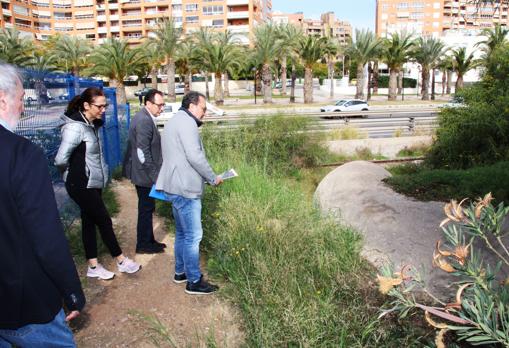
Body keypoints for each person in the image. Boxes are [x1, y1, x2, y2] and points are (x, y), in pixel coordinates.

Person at [0, 62, 85, 347]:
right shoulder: (21, 154)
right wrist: (71, 290)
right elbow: (46, 237)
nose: (22, 109)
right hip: (26, 306)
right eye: (22, 100)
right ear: (3, 100)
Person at [55, 87, 141, 280]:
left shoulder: (90, 124)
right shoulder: (75, 127)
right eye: (99, 106)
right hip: (81, 184)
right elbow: (60, 159)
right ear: (86, 105)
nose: (103, 109)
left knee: (89, 221)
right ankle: (121, 260)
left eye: (105, 105)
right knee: (103, 220)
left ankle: (93, 266)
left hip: (92, 182)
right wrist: (71, 174)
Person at [155, 91, 223, 295]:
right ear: (192, 106)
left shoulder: (175, 120)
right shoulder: (188, 123)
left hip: (175, 186)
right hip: (185, 188)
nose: (204, 114)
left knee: (183, 234)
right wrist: (212, 177)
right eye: (203, 109)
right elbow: (195, 156)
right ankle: (194, 281)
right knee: (193, 236)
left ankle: (180, 272)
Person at [123, 89, 166, 254]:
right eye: (159, 105)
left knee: (148, 208)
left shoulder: (145, 117)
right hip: (144, 175)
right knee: (146, 209)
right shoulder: (144, 121)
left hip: (144, 173)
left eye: (163, 105)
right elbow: (143, 152)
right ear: (148, 103)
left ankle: (149, 239)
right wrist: (155, 177)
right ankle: (143, 244)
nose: (161, 108)